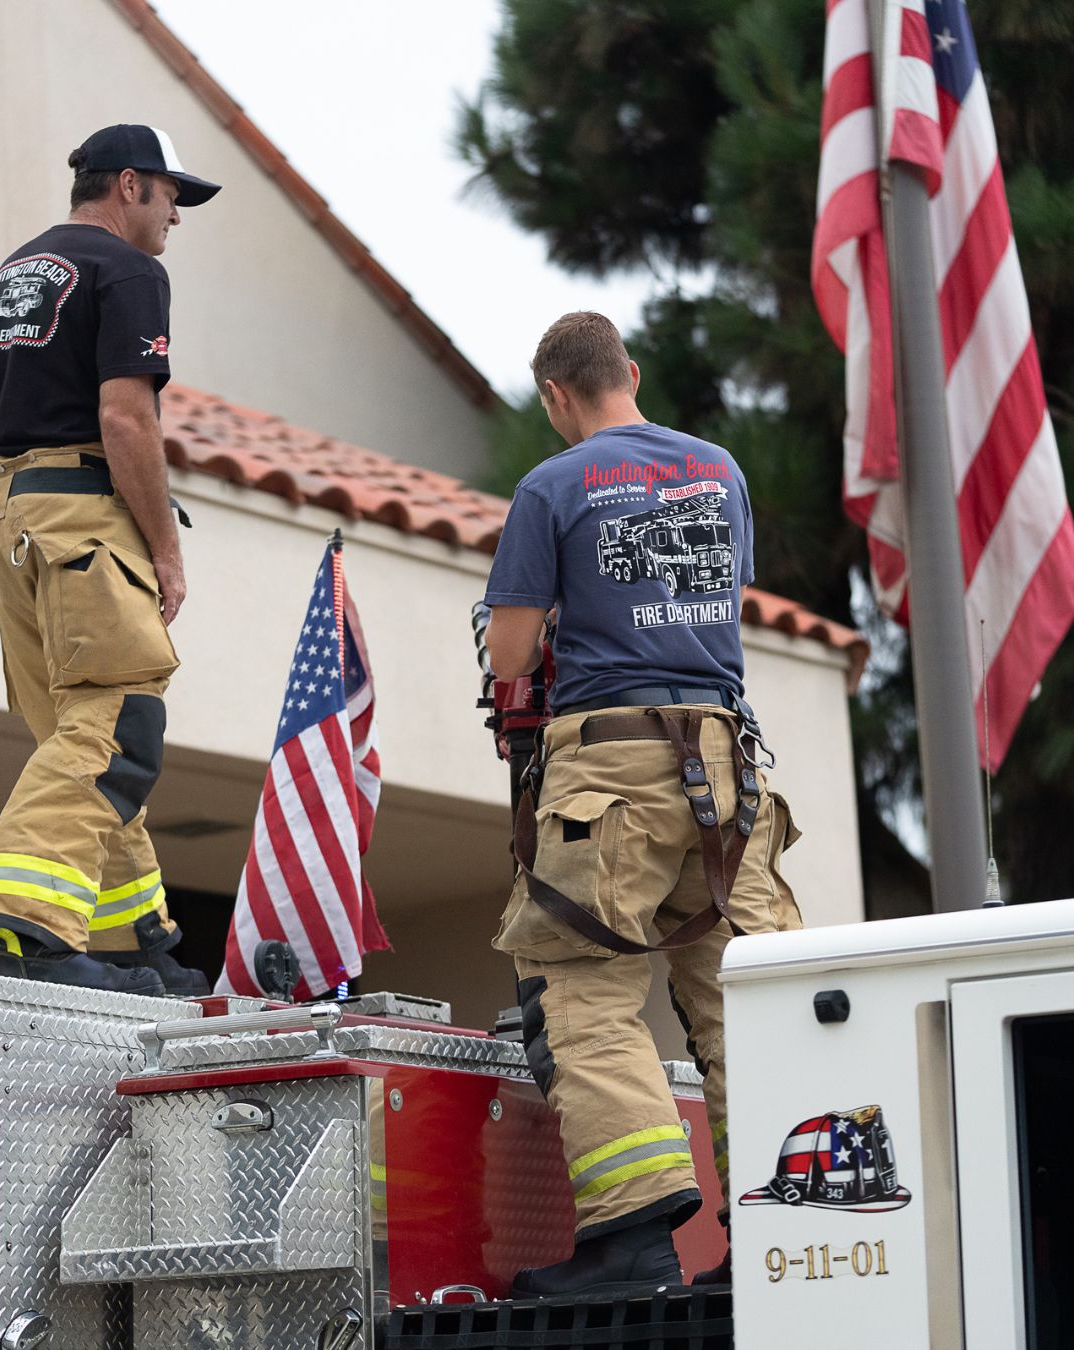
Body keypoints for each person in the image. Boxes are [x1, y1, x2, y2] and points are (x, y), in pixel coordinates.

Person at [483, 312, 802, 1296]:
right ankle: (784, 1242)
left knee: (576, 982)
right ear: (630, 371)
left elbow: (510, 658)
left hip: (608, 767)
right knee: (744, 1000)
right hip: (726, 769)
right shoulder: (720, 471)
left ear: (557, 398)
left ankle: (631, 1237)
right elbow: (708, 606)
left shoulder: (552, 484)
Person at [0, 125, 222, 997]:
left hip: (12, 523)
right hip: (83, 520)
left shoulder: (15, 276)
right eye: (171, 195)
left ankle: (138, 941)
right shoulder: (127, 271)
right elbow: (127, 418)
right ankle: (28, 917)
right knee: (117, 726)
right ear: (128, 186)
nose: (175, 216)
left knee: (78, 734)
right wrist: (164, 550)